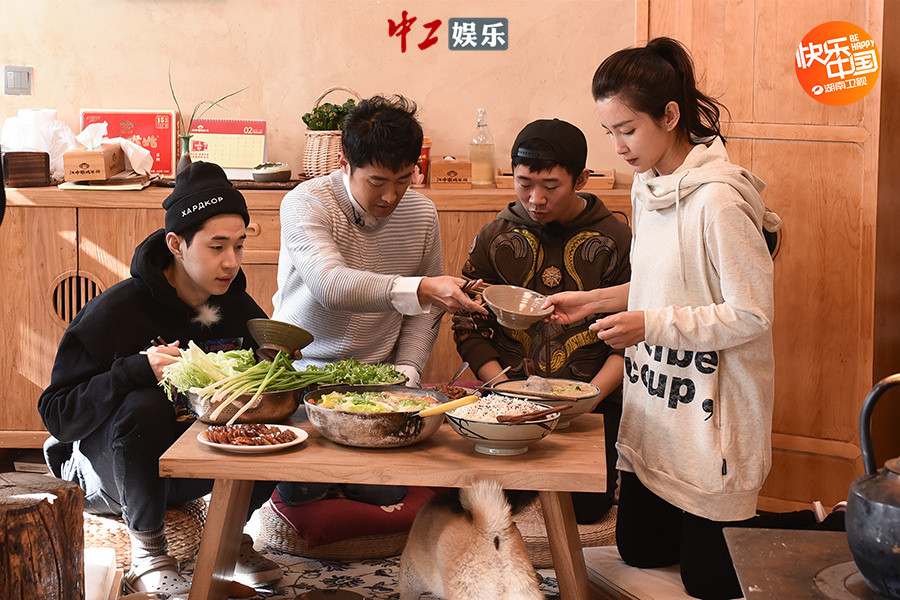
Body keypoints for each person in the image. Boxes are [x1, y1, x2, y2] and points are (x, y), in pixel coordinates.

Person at [543, 38, 789, 600]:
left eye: (627, 130)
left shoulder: (719, 202)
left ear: (670, 115)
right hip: (660, 407)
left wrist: (649, 326)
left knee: (709, 581)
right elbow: (664, 287)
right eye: (609, 132)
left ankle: (830, 521)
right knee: (641, 550)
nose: (618, 146)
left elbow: (751, 313)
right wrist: (595, 300)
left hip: (712, 414)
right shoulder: (647, 184)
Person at [38, 162, 282, 595]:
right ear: (176, 244)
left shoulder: (237, 307)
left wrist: (273, 366)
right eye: (217, 246)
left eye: (239, 246)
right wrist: (135, 369)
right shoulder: (115, 311)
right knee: (145, 402)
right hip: (106, 472)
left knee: (278, 404)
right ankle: (149, 553)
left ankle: (230, 537)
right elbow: (57, 414)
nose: (231, 262)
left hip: (187, 470)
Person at [272, 94, 485, 508]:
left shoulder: (421, 214)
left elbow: (424, 314)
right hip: (300, 377)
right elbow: (330, 285)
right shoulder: (305, 202)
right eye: (377, 181)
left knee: (384, 494)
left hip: (379, 383)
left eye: (404, 179)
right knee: (302, 494)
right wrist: (421, 288)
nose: (391, 196)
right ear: (344, 163)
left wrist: (407, 373)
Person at [452, 118, 631, 523]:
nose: (536, 199)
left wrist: (587, 401)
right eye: (524, 183)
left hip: (593, 403)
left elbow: (631, 334)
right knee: (492, 505)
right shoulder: (494, 237)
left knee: (586, 510)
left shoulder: (617, 240)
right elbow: (468, 323)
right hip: (506, 402)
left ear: (581, 179)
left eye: (551, 186)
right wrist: (502, 390)